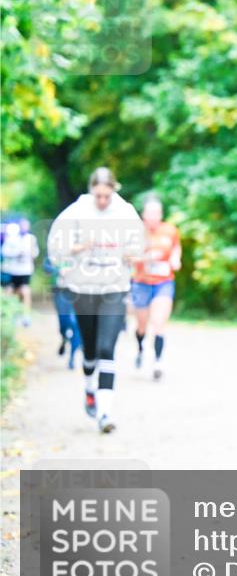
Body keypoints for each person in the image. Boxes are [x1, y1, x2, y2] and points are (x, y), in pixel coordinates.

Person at [47, 167, 144, 433]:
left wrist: (132, 256)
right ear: (91, 190)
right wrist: (77, 249)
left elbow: (138, 247)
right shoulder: (76, 213)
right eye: (98, 195)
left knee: (106, 348)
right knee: (89, 350)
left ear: (115, 189)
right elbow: (56, 251)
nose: (102, 201)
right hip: (84, 288)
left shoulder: (125, 213)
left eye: (107, 196)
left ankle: (105, 413)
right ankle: (89, 388)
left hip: (114, 288)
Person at [131, 194, 181, 381]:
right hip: (141, 283)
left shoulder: (170, 230)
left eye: (157, 213)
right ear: (144, 214)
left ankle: (158, 361)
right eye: (150, 213)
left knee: (158, 323)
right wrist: (147, 258)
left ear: (161, 214)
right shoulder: (136, 233)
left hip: (163, 283)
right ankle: (140, 347)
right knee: (142, 326)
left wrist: (176, 258)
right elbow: (127, 257)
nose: (153, 217)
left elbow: (176, 247)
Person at [43, 256, 82, 369]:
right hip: (60, 291)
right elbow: (46, 266)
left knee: (75, 324)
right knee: (63, 322)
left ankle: (72, 358)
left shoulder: (84, 245)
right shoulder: (57, 247)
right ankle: (64, 338)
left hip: (79, 292)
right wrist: (58, 270)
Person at [1, 219, 40, 326]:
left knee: (25, 291)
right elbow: (5, 251)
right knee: (10, 292)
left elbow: (35, 253)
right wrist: (16, 253)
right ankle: (10, 315)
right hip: (12, 271)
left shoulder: (31, 239)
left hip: (25, 271)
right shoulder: (12, 238)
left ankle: (26, 316)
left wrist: (29, 253)